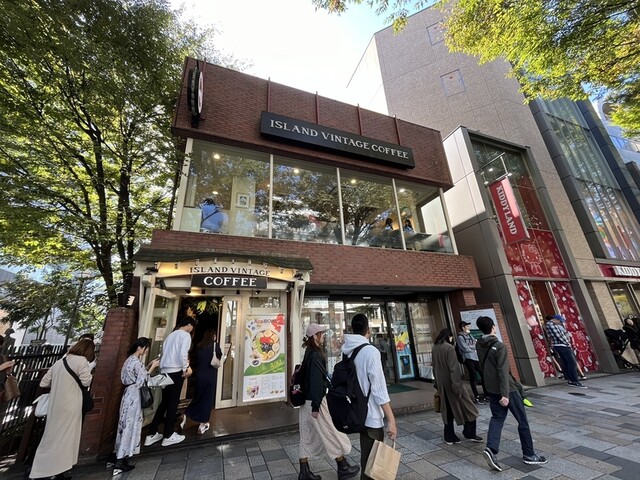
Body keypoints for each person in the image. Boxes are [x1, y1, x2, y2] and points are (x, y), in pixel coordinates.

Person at [476, 316, 547, 472]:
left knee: (497, 418)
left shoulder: (479, 344)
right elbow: (503, 371)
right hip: (508, 389)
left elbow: (483, 366)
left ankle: (491, 449)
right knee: (522, 421)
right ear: (492, 327)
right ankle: (529, 454)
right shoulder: (499, 346)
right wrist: (505, 394)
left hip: (492, 389)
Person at [298, 323, 359, 480]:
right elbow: (316, 382)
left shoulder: (308, 352)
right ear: (315, 336)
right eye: (321, 333)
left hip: (306, 401)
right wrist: (316, 406)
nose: (323, 336)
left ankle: (304, 472)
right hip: (315, 401)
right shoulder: (316, 355)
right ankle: (342, 466)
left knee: (307, 434)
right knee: (331, 431)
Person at [29, 339, 95, 480]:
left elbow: (44, 382)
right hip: (71, 404)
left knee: (50, 437)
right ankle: (58, 471)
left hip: (55, 405)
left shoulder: (59, 362)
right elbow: (86, 381)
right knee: (66, 439)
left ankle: (42, 471)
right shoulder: (81, 361)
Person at [342, 314, 397, 480]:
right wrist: (391, 420)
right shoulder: (371, 352)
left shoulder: (348, 351)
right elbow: (379, 390)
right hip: (371, 415)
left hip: (357, 412)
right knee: (373, 464)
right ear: (368, 330)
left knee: (367, 458)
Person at [144, 317, 195, 448]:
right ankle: (168, 435)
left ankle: (151, 434)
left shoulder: (170, 336)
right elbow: (183, 353)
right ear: (189, 325)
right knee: (173, 403)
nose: (191, 329)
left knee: (164, 403)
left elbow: (164, 353)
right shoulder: (185, 335)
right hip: (176, 371)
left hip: (165, 371)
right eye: (192, 326)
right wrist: (185, 369)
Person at [113, 337, 160, 475]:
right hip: (134, 395)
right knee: (129, 424)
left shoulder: (129, 360)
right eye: (146, 348)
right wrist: (152, 367)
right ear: (139, 347)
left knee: (124, 424)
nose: (146, 351)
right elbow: (141, 380)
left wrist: (147, 367)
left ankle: (118, 454)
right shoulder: (136, 362)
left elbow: (135, 376)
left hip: (128, 393)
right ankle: (120, 460)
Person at [432, 328, 482, 445]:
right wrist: (457, 386)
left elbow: (434, 367)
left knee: (448, 410)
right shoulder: (449, 348)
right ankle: (469, 433)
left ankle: (449, 435)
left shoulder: (435, 348)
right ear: (449, 336)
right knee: (470, 408)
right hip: (452, 384)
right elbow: (454, 368)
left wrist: (437, 383)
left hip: (442, 384)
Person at [185, 329, 222, 435]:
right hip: (210, 375)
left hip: (199, 375)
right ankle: (203, 424)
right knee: (207, 399)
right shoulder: (215, 346)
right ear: (213, 336)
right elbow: (219, 357)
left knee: (198, 396)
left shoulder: (200, 346)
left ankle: (186, 414)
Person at [545, 314, 586, 388]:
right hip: (562, 345)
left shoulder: (552, 324)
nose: (560, 323)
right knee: (572, 362)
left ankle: (570, 379)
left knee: (566, 362)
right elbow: (559, 336)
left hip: (560, 345)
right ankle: (574, 380)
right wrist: (567, 343)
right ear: (556, 319)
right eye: (560, 321)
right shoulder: (551, 325)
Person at [456, 321, 486, 404]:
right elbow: (465, 349)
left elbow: (475, 344)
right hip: (468, 358)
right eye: (467, 326)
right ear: (463, 327)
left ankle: (486, 393)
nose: (469, 327)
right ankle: (476, 395)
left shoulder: (470, 335)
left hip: (475, 357)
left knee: (482, 373)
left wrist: (471, 346)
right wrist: (472, 347)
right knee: (473, 376)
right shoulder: (460, 337)